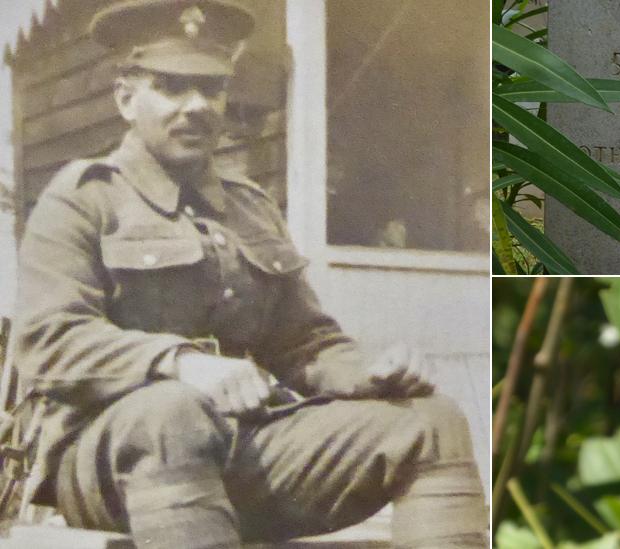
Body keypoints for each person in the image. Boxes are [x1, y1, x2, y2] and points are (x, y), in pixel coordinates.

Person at [10, 1, 486, 547]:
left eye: (210, 89)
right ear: (125, 98)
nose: (195, 106)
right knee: (174, 411)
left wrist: (365, 372)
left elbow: (306, 341)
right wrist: (181, 364)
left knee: (432, 422)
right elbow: (48, 343)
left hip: (242, 449)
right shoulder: (83, 198)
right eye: (171, 86)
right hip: (109, 459)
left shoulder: (249, 206)